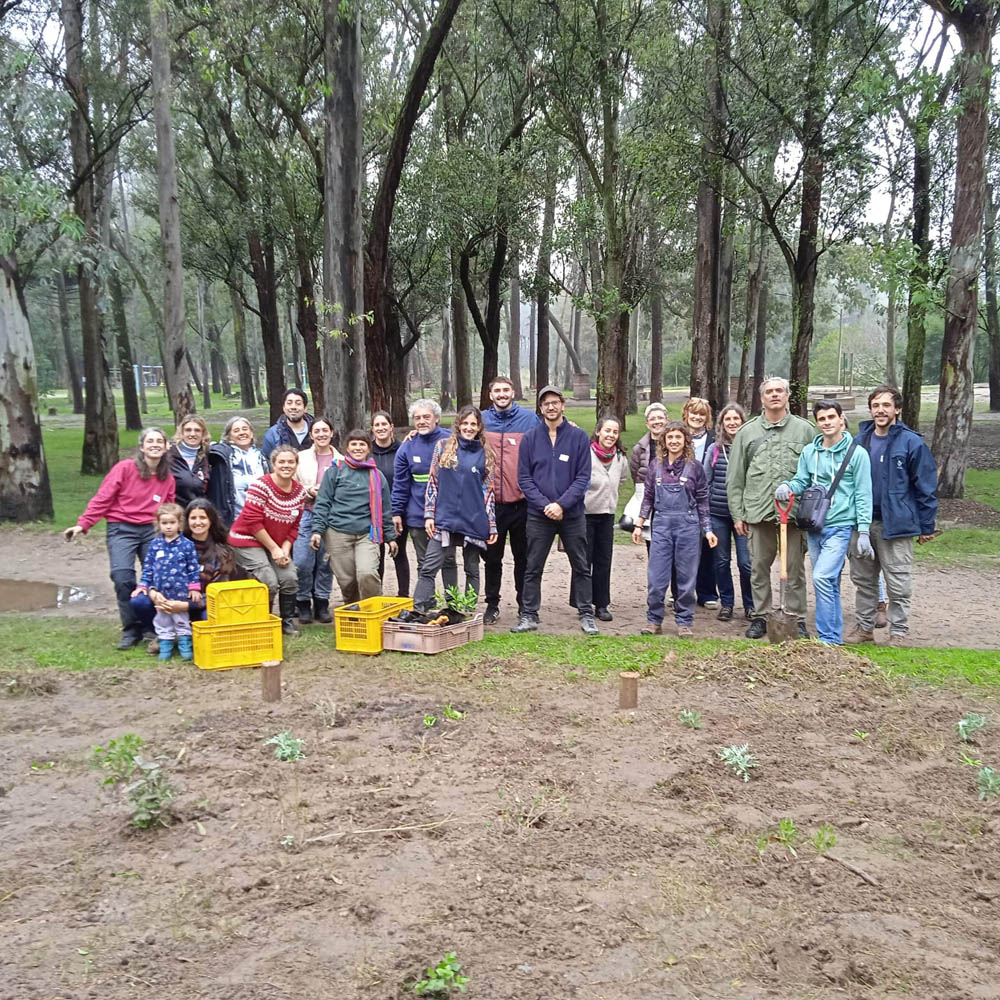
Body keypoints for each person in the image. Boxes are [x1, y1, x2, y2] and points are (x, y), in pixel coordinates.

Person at [63, 427, 176, 649]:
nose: (154, 445)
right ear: (142, 447)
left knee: (157, 578)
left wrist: (173, 534)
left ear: (165, 447)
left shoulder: (167, 477)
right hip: (122, 528)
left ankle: (152, 627)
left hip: (151, 530)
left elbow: (169, 509)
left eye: (159, 441)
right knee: (122, 577)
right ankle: (130, 629)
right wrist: (83, 524)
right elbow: (103, 498)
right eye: (150, 441)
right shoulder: (124, 469)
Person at [847, 385, 938, 645]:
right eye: (876, 405)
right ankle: (864, 628)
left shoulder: (911, 442)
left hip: (896, 524)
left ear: (897, 409)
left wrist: (926, 525)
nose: (880, 410)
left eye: (886, 405)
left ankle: (899, 631)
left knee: (897, 581)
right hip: (862, 523)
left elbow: (926, 486)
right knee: (863, 580)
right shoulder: (859, 441)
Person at [777, 400, 873, 646]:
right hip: (815, 525)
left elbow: (863, 494)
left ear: (842, 419)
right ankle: (832, 637)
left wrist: (863, 531)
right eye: (822, 419)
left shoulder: (857, 454)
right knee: (828, 582)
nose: (827, 422)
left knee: (821, 577)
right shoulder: (811, 452)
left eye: (832, 417)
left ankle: (829, 638)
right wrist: (788, 487)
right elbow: (801, 480)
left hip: (841, 527)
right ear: (817, 423)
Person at [727, 377, 815, 639]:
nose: (774, 395)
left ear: (787, 396)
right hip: (758, 511)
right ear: (762, 398)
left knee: (795, 569)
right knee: (758, 567)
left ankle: (795, 617)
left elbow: (815, 474)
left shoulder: (805, 430)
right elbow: (735, 477)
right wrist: (738, 514)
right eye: (769, 392)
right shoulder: (747, 432)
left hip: (794, 513)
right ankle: (762, 616)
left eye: (779, 391)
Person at [513, 385, 598, 636]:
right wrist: (545, 505)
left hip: (571, 514)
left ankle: (586, 614)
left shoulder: (579, 437)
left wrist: (562, 504)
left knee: (581, 565)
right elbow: (524, 479)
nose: (551, 407)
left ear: (563, 405)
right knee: (533, 566)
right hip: (539, 515)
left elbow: (583, 478)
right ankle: (529, 615)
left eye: (555, 402)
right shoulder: (530, 439)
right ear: (540, 408)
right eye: (545, 403)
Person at [632, 422, 717, 637]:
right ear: (664, 441)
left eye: (678, 437)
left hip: (688, 526)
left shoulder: (695, 467)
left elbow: (702, 501)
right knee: (656, 578)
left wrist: (707, 529)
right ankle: (654, 620)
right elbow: (648, 497)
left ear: (685, 441)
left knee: (686, 577)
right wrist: (639, 523)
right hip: (661, 525)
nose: (674, 441)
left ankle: (684, 621)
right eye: (670, 438)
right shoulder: (655, 466)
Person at [412, 406, 497, 613]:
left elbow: (489, 492)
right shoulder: (442, 447)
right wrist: (429, 515)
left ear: (479, 428)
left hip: (473, 518)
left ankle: (465, 610)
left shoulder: (486, 454)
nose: (468, 428)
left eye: (473, 424)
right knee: (430, 566)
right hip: (445, 517)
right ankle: (421, 609)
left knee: (472, 568)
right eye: (465, 423)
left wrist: (492, 525)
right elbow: (432, 482)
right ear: (458, 425)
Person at [131, 497, 236, 652]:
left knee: (212, 614)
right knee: (139, 601)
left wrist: (186, 605)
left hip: (199, 604)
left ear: (211, 520)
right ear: (185, 521)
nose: (197, 522)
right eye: (193, 518)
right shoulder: (172, 543)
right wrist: (153, 591)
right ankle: (164, 635)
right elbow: (155, 571)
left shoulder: (221, 552)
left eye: (203, 518)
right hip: (167, 599)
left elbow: (221, 595)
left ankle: (194, 635)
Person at [310, 429, 396, 605]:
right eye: (353, 444)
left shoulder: (377, 476)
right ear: (347, 448)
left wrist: (390, 537)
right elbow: (323, 502)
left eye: (362, 444)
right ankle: (354, 613)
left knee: (367, 573)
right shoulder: (335, 471)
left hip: (367, 534)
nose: (358, 448)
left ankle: (373, 611)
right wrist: (317, 531)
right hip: (337, 533)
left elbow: (385, 510)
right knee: (347, 581)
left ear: (368, 448)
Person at [228, 444, 306, 635]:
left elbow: (294, 526)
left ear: (296, 465)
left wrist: (285, 550)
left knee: (289, 577)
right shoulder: (260, 486)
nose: (286, 466)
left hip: (278, 544)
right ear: (273, 464)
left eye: (290, 462)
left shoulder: (299, 492)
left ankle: (286, 622)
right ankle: (264, 622)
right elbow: (253, 522)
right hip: (247, 539)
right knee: (268, 580)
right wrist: (274, 549)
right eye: (282, 462)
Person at [481, 376, 541, 624]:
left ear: (513, 392)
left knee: (523, 559)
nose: (502, 394)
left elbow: (549, 439)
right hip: (492, 505)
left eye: (506, 390)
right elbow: (458, 435)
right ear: (490, 394)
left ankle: (524, 606)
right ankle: (492, 604)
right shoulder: (482, 420)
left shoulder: (529, 420)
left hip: (522, 503)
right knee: (492, 558)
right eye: (497, 390)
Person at [392, 399, 457, 594]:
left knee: (448, 560)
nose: (421, 421)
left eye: (426, 417)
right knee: (424, 561)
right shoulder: (407, 447)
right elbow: (400, 484)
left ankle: (453, 603)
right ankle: (426, 602)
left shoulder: (451, 441)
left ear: (436, 419)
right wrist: (396, 512)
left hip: (446, 514)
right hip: (417, 514)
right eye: (417, 418)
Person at [570, 415, 629, 622]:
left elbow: (621, 479)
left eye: (615, 432)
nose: (611, 435)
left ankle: (602, 604)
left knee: (604, 560)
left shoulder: (620, 457)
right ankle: (582, 602)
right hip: (584, 515)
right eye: (607, 431)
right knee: (583, 560)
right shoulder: (585, 453)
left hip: (607, 515)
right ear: (598, 432)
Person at [131, 503, 201, 660]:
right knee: (163, 621)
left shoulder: (187, 545)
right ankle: (165, 647)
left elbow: (193, 568)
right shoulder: (155, 545)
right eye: (164, 523)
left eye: (172, 523)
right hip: (161, 593)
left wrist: (194, 587)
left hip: (181, 593)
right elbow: (148, 567)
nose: (168, 527)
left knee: (182, 621)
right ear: (158, 524)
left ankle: (185, 646)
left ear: (179, 524)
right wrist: (143, 585)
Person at [704, 402, 753, 622]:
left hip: (744, 516)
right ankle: (727, 603)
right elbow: (705, 482)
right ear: (722, 424)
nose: (732, 423)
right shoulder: (714, 449)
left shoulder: (751, 447)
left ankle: (751, 605)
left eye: (736, 419)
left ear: (743, 422)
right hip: (718, 514)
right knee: (721, 561)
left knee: (746, 563)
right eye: (728, 419)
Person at [293, 417, 343, 623]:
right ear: (311, 435)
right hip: (306, 512)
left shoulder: (341, 460)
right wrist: (308, 490)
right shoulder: (300, 457)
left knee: (325, 561)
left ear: (332, 433)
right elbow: (290, 484)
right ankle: (302, 601)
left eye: (325, 430)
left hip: (331, 516)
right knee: (303, 561)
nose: (321, 434)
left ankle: (321, 602)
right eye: (317, 431)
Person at [682, 396, 719, 609]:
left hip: (706, 499)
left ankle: (706, 591)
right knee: (683, 547)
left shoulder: (714, 439)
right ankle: (681, 589)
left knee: (707, 545)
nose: (697, 417)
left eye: (701, 414)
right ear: (686, 414)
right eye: (693, 413)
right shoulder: (676, 435)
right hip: (680, 499)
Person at [371, 411, 411, 597]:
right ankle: (376, 595)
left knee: (399, 552)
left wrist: (398, 511)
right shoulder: (367, 453)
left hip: (399, 510)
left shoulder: (403, 449)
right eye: (377, 425)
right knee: (376, 555)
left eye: (384, 424)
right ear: (372, 429)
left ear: (391, 427)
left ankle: (403, 595)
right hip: (374, 512)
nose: (380, 428)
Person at [207, 416, 269, 527]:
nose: (242, 433)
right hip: (233, 520)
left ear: (251, 433)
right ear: (229, 436)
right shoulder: (223, 456)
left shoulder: (261, 457)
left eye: (245, 429)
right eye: (236, 430)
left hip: (260, 520)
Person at [167, 415, 211, 507]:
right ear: (181, 433)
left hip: (197, 514)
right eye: (188, 430)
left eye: (197, 430)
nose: (192, 434)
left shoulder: (206, 457)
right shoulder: (168, 455)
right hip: (174, 514)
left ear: (203, 434)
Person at [260, 387, 314, 457]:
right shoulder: (272, 435)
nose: (293, 407)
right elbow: (267, 463)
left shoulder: (317, 431)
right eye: (289, 403)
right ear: (284, 408)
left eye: (298, 403)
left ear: (305, 408)